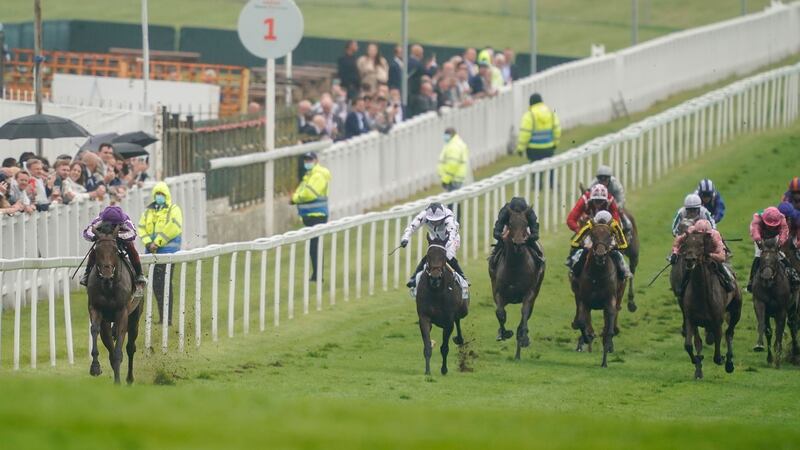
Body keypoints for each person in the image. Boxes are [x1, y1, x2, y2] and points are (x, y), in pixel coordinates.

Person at [400, 202, 468, 297]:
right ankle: (414, 278)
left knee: (448, 255)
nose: (435, 223)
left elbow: (452, 236)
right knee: (430, 257)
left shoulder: (449, 218)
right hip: (435, 239)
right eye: (432, 221)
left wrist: (442, 250)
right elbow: (412, 227)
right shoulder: (424, 215)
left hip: (451, 239)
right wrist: (405, 238)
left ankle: (463, 278)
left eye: (437, 220)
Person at [138, 182, 183, 325]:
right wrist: (148, 243)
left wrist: (157, 242)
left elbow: (173, 228)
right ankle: (163, 318)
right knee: (156, 285)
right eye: (157, 194)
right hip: (152, 253)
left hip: (168, 253)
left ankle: (167, 318)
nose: (159, 197)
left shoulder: (173, 209)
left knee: (165, 284)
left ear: (167, 195)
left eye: (162, 194)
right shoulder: (148, 211)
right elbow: (141, 228)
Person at [80, 205, 147, 298]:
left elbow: (133, 233)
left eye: (115, 223)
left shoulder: (125, 220)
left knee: (131, 247)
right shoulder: (99, 219)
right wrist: (97, 236)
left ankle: (139, 274)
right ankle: (87, 273)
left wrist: (116, 236)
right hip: (104, 238)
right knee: (95, 249)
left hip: (121, 240)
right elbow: (87, 232)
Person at [291, 152, 332, 281]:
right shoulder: (309, 176)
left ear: (316, 160)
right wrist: (296, 197)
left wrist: (295, 199)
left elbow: (309, 193)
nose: (307, 162)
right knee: (313, 246)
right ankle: (316, 274)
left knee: (315, 246)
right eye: (306, 160)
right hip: (310, 215)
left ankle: (317, 275)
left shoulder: (318, 175)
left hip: (317, 214)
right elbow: (300, 190)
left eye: (310, 160)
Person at [670, 219, 735, 294]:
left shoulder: (715, 235)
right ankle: (682, 286)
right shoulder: (690, 231)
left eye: (705, 235)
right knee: (689, 266)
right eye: (698, 234)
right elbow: (678, 241)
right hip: (697, 255)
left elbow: (722, 257)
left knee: (719, 265)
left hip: (710, 254)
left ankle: (728, 281)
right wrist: (675, 253)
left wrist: (710, 255)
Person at [566, 210, 631, 280]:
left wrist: (615, 247)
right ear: (596, 221)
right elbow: (576, 240)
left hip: (608, 242)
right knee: (583, 252)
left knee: (616, 255)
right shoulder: (591, 223)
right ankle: (575, 272)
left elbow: (624, 244)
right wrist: (581, 246)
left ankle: (623, 272)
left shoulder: (614, 225)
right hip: (593, 241)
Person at [747, 206, 799, 292]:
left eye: (773, 225)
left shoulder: (781, 218)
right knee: (759, 255)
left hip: (775, 236)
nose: (771, 227)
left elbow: (784, 232)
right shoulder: (757, 218)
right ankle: (751, 280)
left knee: (780, 255)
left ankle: (793, 275)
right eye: (769, 225)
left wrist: (780, 243)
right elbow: (755, 231)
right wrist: (759, 241)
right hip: (761, 236)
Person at [488, 197, 543, 271]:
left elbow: (535, 234)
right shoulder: (505, 211)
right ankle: (493, 267)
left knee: (538, 255)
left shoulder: (529, 212)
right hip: (509, 233)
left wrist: (529, 238)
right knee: (493, 258)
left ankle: (539, 261)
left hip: (524, 233)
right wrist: (502, 236)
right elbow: (496, 232)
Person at [516, 93, 561, 163]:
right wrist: (555, 144)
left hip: (533, 149)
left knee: (535, 170)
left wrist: (520, 149)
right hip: (549, 147)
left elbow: (525, 134)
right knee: (550, 168)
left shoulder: (529, 115)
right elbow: (557, 129)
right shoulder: (550, 112)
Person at [591, 165, 630, 231]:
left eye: (605, 179)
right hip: (598, 204)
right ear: (598, 179)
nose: (603, 182)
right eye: (600, 179)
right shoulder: (593, 184)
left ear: (609, 178)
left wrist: (618, 206)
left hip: (613, 203)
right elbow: (588, 195)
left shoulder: (615, 185)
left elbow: (621, 198)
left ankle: (626, 225)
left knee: (620, 211)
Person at [437, 127, 469, 193]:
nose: (445, 137)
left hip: (453, 180)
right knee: (455, 201)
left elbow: (452, 165)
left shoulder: (454, 146)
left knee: (451, 201)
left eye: (446, 134)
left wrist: (445, 180)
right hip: (456, 178)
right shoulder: (456, 143)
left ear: (451, 135)